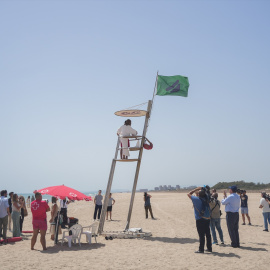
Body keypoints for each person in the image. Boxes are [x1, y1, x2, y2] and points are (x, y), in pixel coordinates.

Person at [188, 187, 212, 253]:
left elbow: (189, 194)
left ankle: (201, 249)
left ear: (198, 194)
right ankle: (209, 248)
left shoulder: (196, 199)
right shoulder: (207, 199)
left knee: (201, 235)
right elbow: (208, 194)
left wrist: (195, 189)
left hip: (200, 219)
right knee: (208, 234)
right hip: (207, 218)